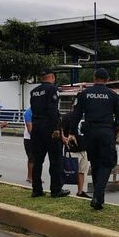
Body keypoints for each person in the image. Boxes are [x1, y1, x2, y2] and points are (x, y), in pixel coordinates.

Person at [68, 68, 119, 210]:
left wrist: (72, 132)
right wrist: (113, 133)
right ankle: (97, 196)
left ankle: (99, 199)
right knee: (107, 163)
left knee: (96, 163)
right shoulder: (113, 95)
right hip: (106, 132)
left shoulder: (84, 94)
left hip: (90, 133)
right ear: (107, 80)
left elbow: (76, 115)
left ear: (94, 78)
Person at [30, 69, 70, 198]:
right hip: (49, 128)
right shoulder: (52, 89)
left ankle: (36, 189)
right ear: (52, 77)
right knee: (55, 160)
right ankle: (56, 189)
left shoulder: (34, 91)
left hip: (36, 128)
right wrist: (57, 129)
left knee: (37, 160)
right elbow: (53, 111)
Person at [61, 100, 91, 198]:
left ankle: (80, 191)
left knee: (82, 171)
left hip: (83, 148)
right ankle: (58, 187)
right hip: (72, 149)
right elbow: (62, 131)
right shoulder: (67, 117)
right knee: (67, 170)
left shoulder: (86, 117)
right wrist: (65, 140)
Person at [22, 107, 34, 183]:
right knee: (32, 158)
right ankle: (30, 177)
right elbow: (29, 128)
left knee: (36, 159)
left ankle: (34, 176)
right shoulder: (28, 112)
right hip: (29, 139)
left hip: (37, 138)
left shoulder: (38, 111)